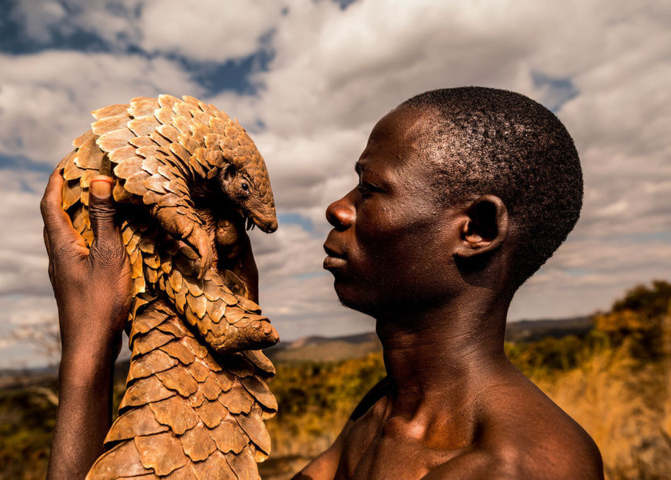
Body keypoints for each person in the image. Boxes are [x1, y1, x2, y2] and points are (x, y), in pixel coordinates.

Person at [42, 86, 603, 479]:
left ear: (476, 228)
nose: (338, 208)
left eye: (372, 188)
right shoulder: (383, 415)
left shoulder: (516, 465)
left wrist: (90, 350)